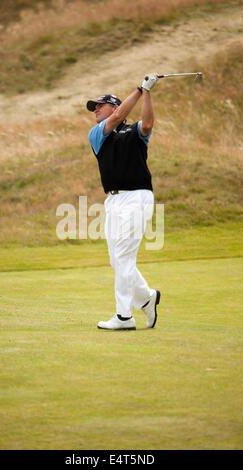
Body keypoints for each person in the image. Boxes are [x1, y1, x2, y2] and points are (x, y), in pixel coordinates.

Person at [87, 73, 161, 330]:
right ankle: (147, 298)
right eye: (93, 107)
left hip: (137, 197)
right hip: (114, 201)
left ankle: (124, 317)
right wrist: (141, 89)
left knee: (124, 257)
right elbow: (116, 118)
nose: (95, 110)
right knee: (117, 260)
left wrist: (147, 93)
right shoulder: (97, 134)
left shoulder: (134, 131)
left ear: (115, 105)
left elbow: (148, 124)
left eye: (100, 105)